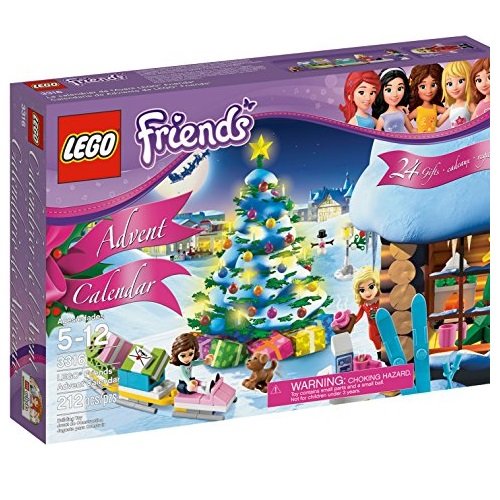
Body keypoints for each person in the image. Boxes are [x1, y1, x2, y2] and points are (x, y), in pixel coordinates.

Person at [372, 67, 416, 133]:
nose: (395, 94)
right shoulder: (383, 117)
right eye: (388, 90)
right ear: (381, 91)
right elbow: (377, 134)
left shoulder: (402, 114)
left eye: (400, 88)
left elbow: (412, 130)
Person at [352, 267, 382, 357]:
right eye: (362, 290)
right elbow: (359, 315)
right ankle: (379, 353)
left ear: (377, 284)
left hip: (384, 324)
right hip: (373, 326)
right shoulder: (364, 304)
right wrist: (351, 323)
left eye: (371, 287)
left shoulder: (381, 299)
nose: (367, 293)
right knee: (372, 337)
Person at [408, 64, 446, 133]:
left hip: (433, 136)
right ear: (416, 88)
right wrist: (412, 130)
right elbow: (405, 120)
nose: (429, 91)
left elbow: (449, 111)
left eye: (433, 85)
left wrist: (438, 122)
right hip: (420, 137)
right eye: (423, 86)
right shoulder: (418, 110)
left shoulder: (435, 108)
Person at [437, 61, 476, 128]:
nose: (454, 87)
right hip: (455, 134)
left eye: (460, 81)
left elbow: (478, 120)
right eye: (449, 84)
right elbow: (438, 124)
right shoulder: (451, 108)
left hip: (468, 133)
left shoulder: (469, 105)